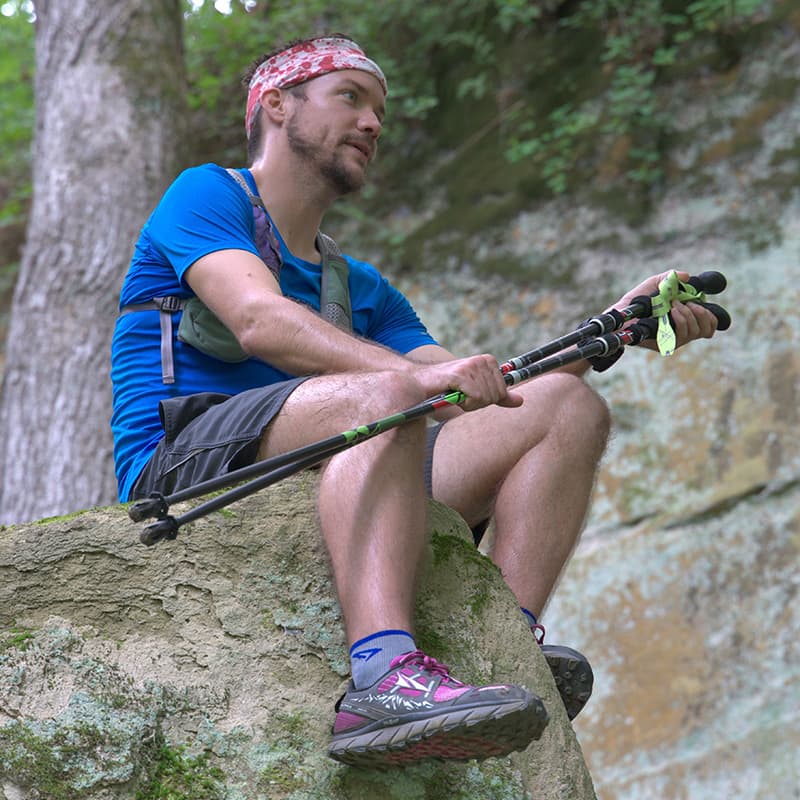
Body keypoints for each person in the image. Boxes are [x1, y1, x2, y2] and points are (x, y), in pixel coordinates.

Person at [110, 34, 718, 767]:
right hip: (183, 464)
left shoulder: (360, 285)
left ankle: (502, 646)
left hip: (331, 456)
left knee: (564, 406)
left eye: (380, 112)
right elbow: (256, 318)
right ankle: (381, 679)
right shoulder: (208, 195)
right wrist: (410, 384)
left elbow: (474, 391)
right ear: (276, 105)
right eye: (350, 98)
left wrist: (608, 330)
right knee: (393, 390)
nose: (372, 123)